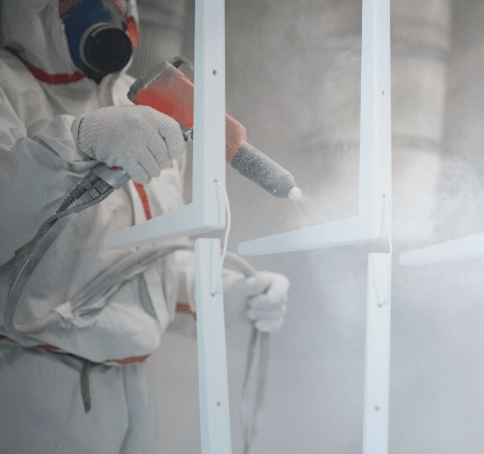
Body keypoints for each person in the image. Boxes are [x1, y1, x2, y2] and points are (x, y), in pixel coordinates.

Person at [0, 0, 288, 452]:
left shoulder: (150, 102)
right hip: (32, 385)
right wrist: (73, 144)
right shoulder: (7, 88)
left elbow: (150, 263)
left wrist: (229, 296)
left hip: (133, 391)